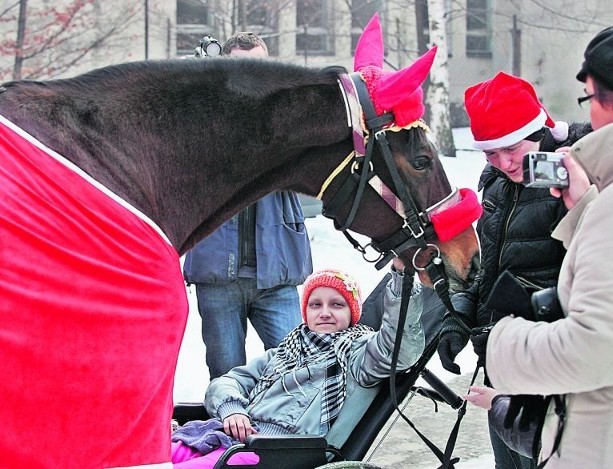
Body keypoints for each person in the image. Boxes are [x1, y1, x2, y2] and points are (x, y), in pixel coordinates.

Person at [486, 24, 613, 468]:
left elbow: (596, 350)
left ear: (609, 104)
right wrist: (586, 208)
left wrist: (502, 342)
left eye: (588, 98)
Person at [436, 71, 591, 469]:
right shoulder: (496, 183)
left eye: (513, 148)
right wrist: (460, 315)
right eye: (491, 152)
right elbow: (487, 262)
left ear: (538, 132)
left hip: (550, 355)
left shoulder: (577, 174)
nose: (503, 163)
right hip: (499, 354)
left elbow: (590, 269)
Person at [170, 264, 425, 468]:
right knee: (145, 457)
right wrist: (232, 409)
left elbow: (400, 348)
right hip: (234, 438)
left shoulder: (360, 356)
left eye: (337, 304)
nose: (324, 312)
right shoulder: (284, 351)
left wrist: (403, 278)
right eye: (316, 305)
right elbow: (226, 382)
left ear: (352, 313)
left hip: (280, 454)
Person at [183, 31, 313, 380]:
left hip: (277, 274)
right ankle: (228, 436)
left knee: (298, 372)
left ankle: (286, 435)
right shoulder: (204, 119)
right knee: (226, 377)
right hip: (217, 275)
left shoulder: (287, 115)